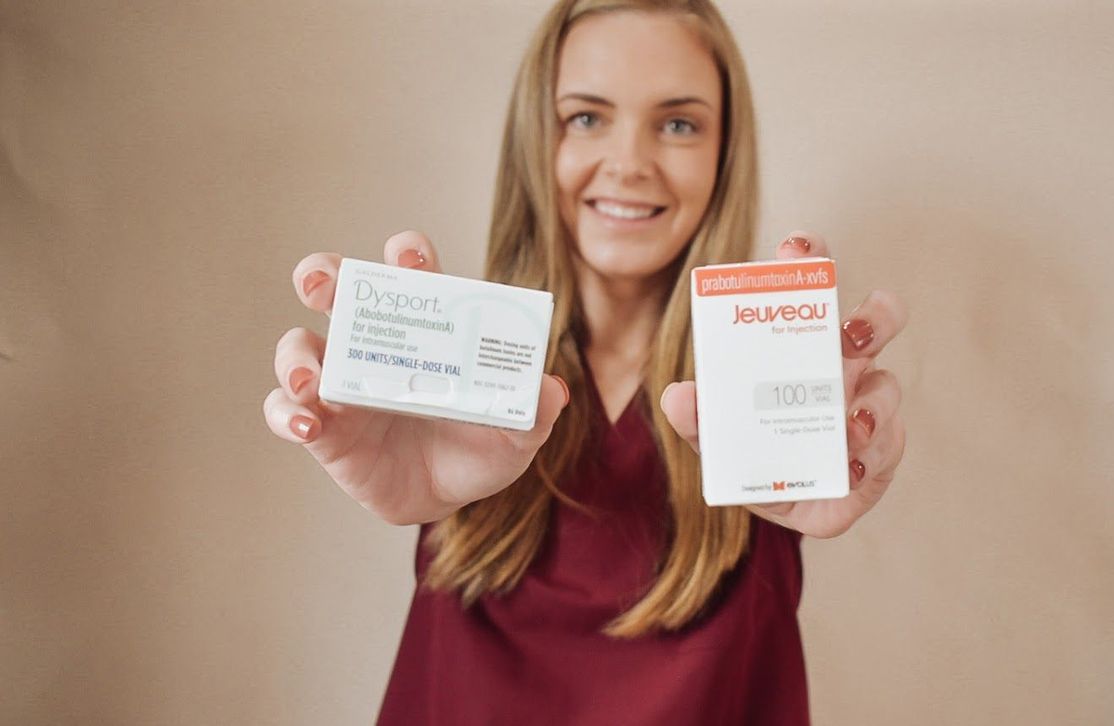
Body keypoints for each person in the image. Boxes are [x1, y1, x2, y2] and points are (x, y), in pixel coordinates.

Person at [263, 0, 908, 723]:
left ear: (726, 151)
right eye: (586, 117)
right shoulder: (458, 387)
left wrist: (821, 453)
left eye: (677, 123)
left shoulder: (762, 400)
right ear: (535, 142)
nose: (629, 164)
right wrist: (425, 495)